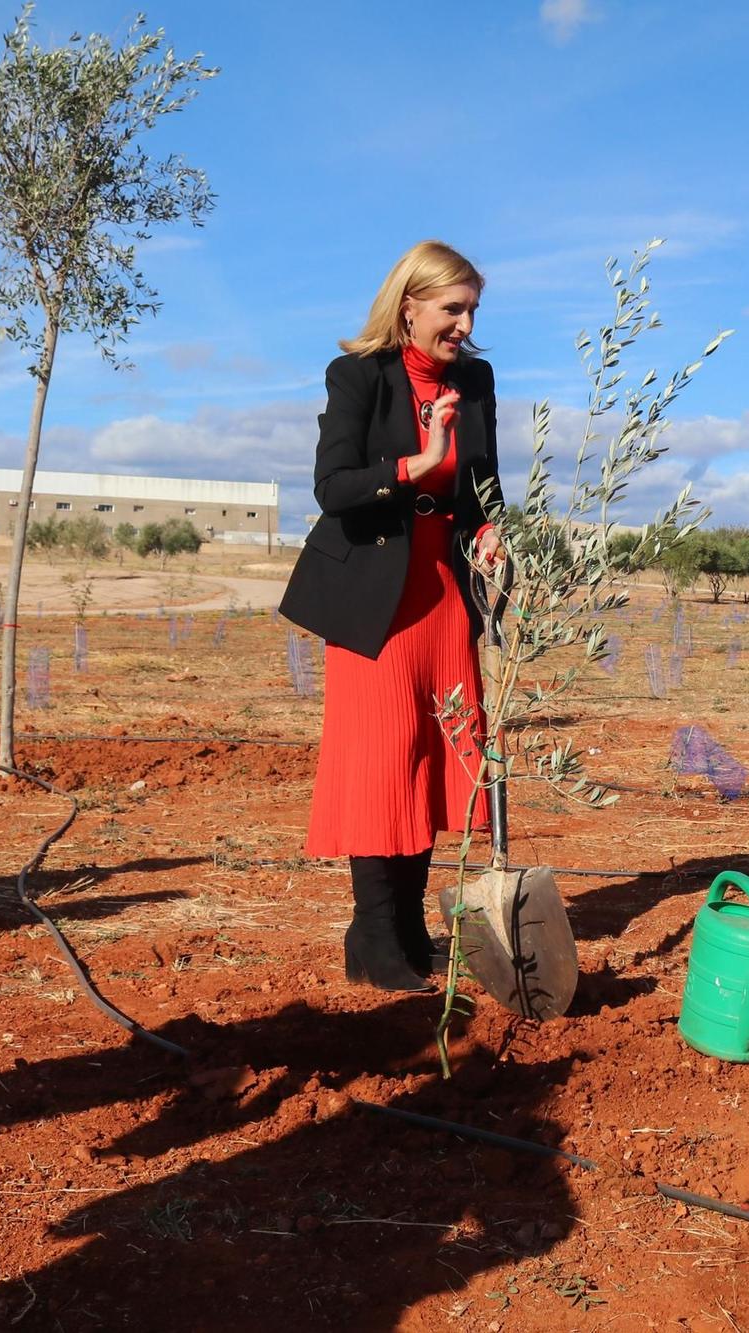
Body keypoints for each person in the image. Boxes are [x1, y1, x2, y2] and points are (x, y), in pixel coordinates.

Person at [279, 240, 507, 993]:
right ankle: (374, 935)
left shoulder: (475, 380)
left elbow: (485, 487)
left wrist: (489, 530)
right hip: (377, 599)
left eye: (472, 309)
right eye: (453, 308)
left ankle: (408, 928)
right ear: (409, 304)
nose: (465, 324)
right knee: (384, 765)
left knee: (433, 762)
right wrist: (418, 459)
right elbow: (333, 486)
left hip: (443, 594)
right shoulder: (359, 375)